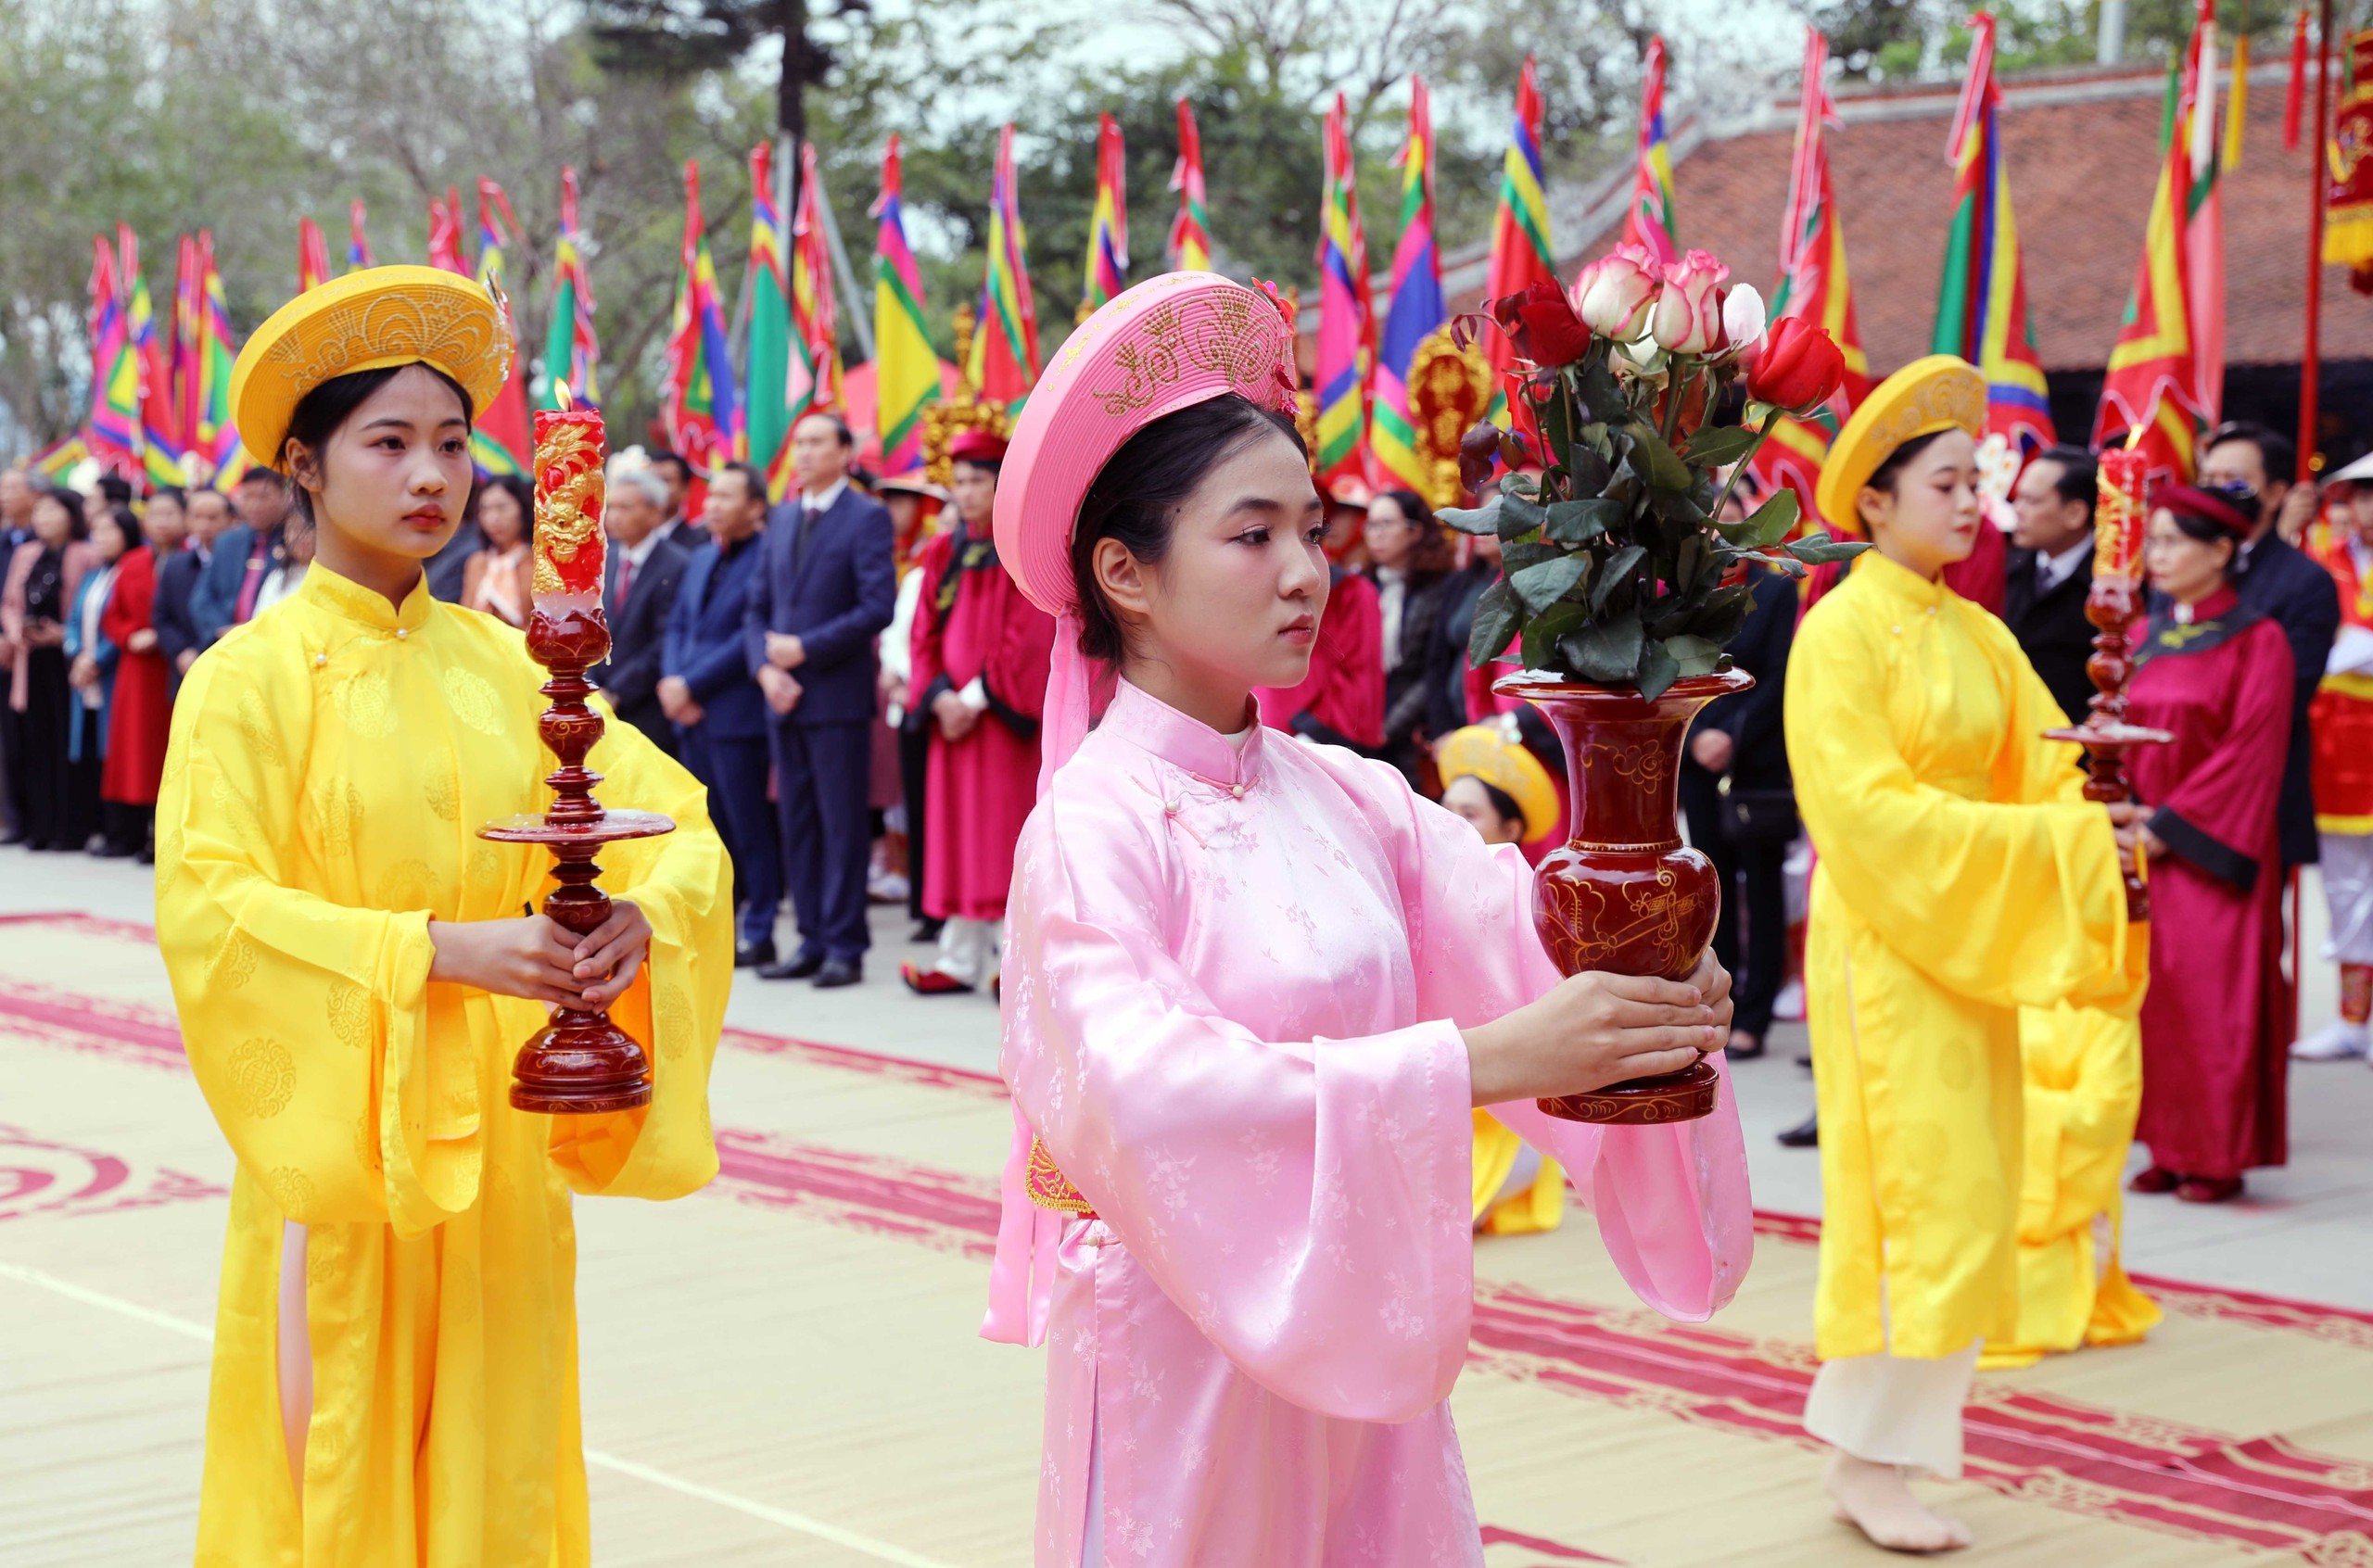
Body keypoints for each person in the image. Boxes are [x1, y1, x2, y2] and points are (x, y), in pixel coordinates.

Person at [983, 272, 1749, 1567]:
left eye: (1312, 529)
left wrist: (1652, 981)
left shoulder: (1351, 795)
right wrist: (1483, 1063)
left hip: (1366, 1322)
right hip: (1187, 1355)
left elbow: (1520, 937)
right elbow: (1143, 1096)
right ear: (1125, 572)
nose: (1307, 574)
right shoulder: (1092, 827)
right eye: (1252, 536)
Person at [158, 264, 730, 1566]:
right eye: (389, 442)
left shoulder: (510, 664)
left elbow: (675, 823)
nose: (432, 476)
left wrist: (642, 920)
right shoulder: (248, 681)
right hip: (350, 1150)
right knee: (338, 1462)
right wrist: (437, 953)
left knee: (499, 1466)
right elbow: (216, 911)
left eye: (455, 443)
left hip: (505, 1154)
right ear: (303, 465)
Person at [1787, 356, 2144, 1553]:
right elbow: (1865, 815)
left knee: (1974, 1194)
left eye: (1970, 482)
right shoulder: (1839, 635)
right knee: (1914, 1199)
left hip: (1970, 934)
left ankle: (1883, 1447)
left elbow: (2047, 766)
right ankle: (1866, 1457)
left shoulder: (1981, 634)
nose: (1968, 503)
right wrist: (2059, 844)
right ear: (1873, 500)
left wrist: (2100, 819)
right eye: (1943, 483)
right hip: (1890, 943)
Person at [2120, 483, 2298, 1202]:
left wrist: (2164, 828)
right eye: (2153, 541)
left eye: (2172, 542)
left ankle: (2217, 1156)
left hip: (2212, 848)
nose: (2155, 556)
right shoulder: (2140, 635)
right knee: (2153, 1002)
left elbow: (2252, 753)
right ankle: (2167, 1144)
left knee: (2213, 1003)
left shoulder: (2260, 641)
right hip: (2140, 844)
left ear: (2222, 551)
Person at [899, 430, 1054, 996]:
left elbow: (1030, 636)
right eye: (958, 482)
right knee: (957, 838)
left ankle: (1014, 961)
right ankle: (960, 958)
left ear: (1000, 484)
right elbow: (923, 632)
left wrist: (972, 698)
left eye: (976, 482)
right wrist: (939, 695)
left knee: (1003, 834)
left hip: (1000, 723)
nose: (963, 493)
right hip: (954, 723)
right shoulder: (943, 551)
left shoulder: (1022, 548)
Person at [745, 411, 897, 988]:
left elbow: (876, 607)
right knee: (798, 823)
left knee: (842, 826)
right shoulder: (782, 517)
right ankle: (810, 939)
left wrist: (804, 649)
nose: (804, 453)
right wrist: (765, 669)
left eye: (816, 442)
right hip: (782, 698)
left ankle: (844, 945)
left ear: (844, 452)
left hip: (836, 697)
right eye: (799, 443)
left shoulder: (866, 517)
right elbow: (756, 609)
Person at [1434, 717, 1570, 1238]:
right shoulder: (1421, 885)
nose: (1449, 822)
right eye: (1445, 808)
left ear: (1511, 829)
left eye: (1469, 814)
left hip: (1498, 1104)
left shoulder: (1534, 906)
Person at [1679, 485, 1798, 1063]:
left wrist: (1731, 736)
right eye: (1709, 522)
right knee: (1713, 888)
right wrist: (1698, 732)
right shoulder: (1683, 595)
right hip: (1697, 757)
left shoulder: (1774, 590)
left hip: (1755, 759)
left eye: (1730, 521)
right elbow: (1676, 672)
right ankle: (1718, 1008)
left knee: (1763, 885)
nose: (1719, 533)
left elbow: (1777, 676)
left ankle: (1755, 1014)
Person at [2198, 423, 2341, 878]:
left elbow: (2285, 696)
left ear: (2276, 493)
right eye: (2209, 479)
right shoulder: (2177, 572)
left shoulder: (2306, 583)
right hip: (2170, 786)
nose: (2217, 492)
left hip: (2256, 802)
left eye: (2234, 481)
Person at [662, 461, 783, 967]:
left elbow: (744, 639)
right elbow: (677, 626)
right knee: (707, 831)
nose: (712, 505)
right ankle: (720, 928)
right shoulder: (700, 558)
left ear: (755, 507)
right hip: (690, 716)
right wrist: (673, 681)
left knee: (749, 828)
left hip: (736, 713)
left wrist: (690, 684)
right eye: (711, 496)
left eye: (726, 496)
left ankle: (761, 929)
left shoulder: (767, 557)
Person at [2294, 454, 2373, 1061]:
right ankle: (2353, 1019)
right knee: (2347, 890)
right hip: (2338, 748)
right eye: (2363, 495)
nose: (2370, 507)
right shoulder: (2322, 562)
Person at [877, 472, 953, 941]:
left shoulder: (958, 572)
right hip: (908, 703)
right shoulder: (920, 574)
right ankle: (925, 904)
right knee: (918, 806)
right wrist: (894, 671)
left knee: (944, 811)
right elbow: (899, 634)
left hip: (939, 703)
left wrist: (915, 682)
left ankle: (946, 907)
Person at [3, 486, 99, 851]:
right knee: (33, 740)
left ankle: (69, 829)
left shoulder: (86, 554)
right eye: (40, 510)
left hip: (67, 659)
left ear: (71, 515)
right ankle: (36, 826)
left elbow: (88, 608)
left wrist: (61, 635)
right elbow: (10, 602)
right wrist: (17, 630)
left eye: (52, 510)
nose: (44, 517)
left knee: (66, 742)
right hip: (30, 657)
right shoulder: (26, 552)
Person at [591, 465, 690, 754]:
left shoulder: (677, 565)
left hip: (648, 706)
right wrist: (594, 686)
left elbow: (665, 640)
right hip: (599, 700)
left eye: (625, 507)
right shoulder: (604, 560)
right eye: (611, 507)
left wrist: (618, 691)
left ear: (655, 512)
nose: (614, 516)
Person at [1365, 488, 1462, 782]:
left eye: (1385, 524)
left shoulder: (1442, 588)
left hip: (1416, 727)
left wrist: (1388, 727)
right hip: (1365, 721)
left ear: (1414, 531)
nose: (1376, 534)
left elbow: (1433, 668)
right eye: (1371, 525)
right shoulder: (1364, 585)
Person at [2004, 444, 2101, 729]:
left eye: (2032, 501)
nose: (2017, 511)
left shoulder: (2110, 587)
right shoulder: (2007, 568)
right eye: (2018, 498)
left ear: (2075, 513)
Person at [1252, 550, 1384, 752]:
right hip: (1256, 727)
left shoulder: (1353, 592)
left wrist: (1311, 732)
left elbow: (1359, 675)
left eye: (1313, 535)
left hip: (1308, 739)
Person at [100, 500, 171, 860]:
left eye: (169, 514)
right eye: (155, 515)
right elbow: (112, 616)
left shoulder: (186, 560)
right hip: (137, 666)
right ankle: (131, 832)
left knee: (167, 750)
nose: (161, 522)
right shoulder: (133, 562)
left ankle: (162, 835)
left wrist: (163, 635)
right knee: (135, 751)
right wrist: (130, 635)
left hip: (170, 662)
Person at [65, 503, 133, 853]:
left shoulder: (131, 571)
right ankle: (96, 826)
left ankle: (121, 830)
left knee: (115, 750)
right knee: (90, 747)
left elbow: (123, 621)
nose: (101, 538)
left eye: (110, 531)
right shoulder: (93, 575)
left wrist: (96, 659)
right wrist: (77, 653)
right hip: (85, 675)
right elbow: (74, 620)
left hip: (113, 674)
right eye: (98, 531)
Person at [189, 465, 299, 647]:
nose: (254, 506)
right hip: (227, 641)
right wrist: (222, 630)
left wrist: (252, 632)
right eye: (247, 497)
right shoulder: (228, 541)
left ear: (285, 497)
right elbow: (202, 598)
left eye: (263, 497)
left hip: (273, 643)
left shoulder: (296, 543)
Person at [156, 487, 234, 692]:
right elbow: (162, 617)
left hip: (229, 667)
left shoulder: (242, 564)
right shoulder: (175, 565)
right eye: (197, 517)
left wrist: (201, 650)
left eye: (213, 518)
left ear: (230, 519)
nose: (204, 525)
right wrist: (181, 651)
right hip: (185, 670)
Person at [0, 465, 36, 841]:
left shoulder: (41, 542)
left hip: (28, 651)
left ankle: (30, 820)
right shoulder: (3, 540)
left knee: (26, 738)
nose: (5, 496)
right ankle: (12, 819)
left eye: (13, 488)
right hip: (4, 645)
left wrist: (12, 637)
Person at [459, 472, 533, 626]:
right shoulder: (477, 563)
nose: (493, 518)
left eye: (502, 507)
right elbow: (465, 617)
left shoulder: (537, 562)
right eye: (485, 509)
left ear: (522, 507)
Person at [648, 449, 697, 549]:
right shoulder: (623, 539)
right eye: (651, 480)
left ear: (685, 489)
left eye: (665, 481)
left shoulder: (697, 545)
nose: (656, 488)